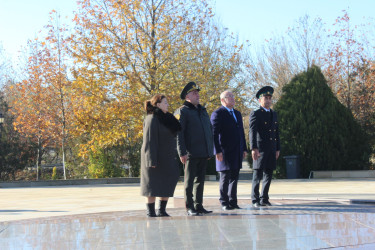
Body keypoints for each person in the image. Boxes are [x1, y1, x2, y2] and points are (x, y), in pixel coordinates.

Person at [175, 82, 214, 216]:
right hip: (190, 153)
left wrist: (210, 149)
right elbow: (179, 133)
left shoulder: (202, 110)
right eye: (194, 93)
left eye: (198, 93)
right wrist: (182, 152)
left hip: (203, 152)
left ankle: (199, 205)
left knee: (200, 181)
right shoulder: (182, 111)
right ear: (187, 96)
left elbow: (209, 130)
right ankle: (189, 207)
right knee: (189, 182)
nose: (197, 95)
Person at [140, 94, 181, 217]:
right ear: (158, 105)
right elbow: (149, 140)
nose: (168, 104)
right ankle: (151, 211)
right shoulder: (152, 118)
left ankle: (162, 210)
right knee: (152, 185)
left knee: (167, 183)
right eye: (165, 102)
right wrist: (151, 160)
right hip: (154, 158)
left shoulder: (168, 118)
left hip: (167, 157)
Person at [210, 90, 247, 211]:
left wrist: (244, 148)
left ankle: (233, 201)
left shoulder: (237, 113)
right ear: (222, 100)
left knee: (234, 177)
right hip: (224, 151)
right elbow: (214, 134)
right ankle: (224, 201)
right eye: (229, 96)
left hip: (237, 150)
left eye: (233, 96)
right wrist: (217, 151)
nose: (232, 98)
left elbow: (241, 132)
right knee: (225, 177)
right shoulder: (218, 113)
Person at [249, 86, 280, 208]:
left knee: (268, 174)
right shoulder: (256, 113)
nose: (267, 100)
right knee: (257, 175)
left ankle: (264, 198)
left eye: (269, 98)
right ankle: (255, 199)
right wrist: (253, 148)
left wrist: (277, 148)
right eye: (265, 98)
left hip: (271, 149)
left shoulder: (274, 114)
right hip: (260, 149)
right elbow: (252, 131)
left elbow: (276, 132)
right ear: (259, 100)